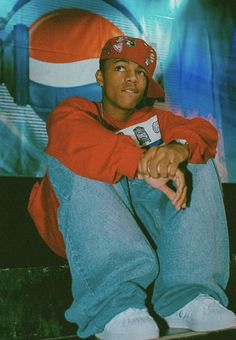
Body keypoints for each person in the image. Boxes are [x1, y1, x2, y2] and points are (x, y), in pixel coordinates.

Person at [28, 35, 236, 339]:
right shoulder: (77, 111)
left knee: (195, 155)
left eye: (140, 72)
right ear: (100, 77)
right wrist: (139, 162)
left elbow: (200, 132)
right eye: (121, 68)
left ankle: (187, 297)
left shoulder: (156, 119)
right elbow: (69, 132)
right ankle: (114, 305)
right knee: (77, 154)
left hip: (141, 224)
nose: (132, 79)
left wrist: (177, 147)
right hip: (79, 225)